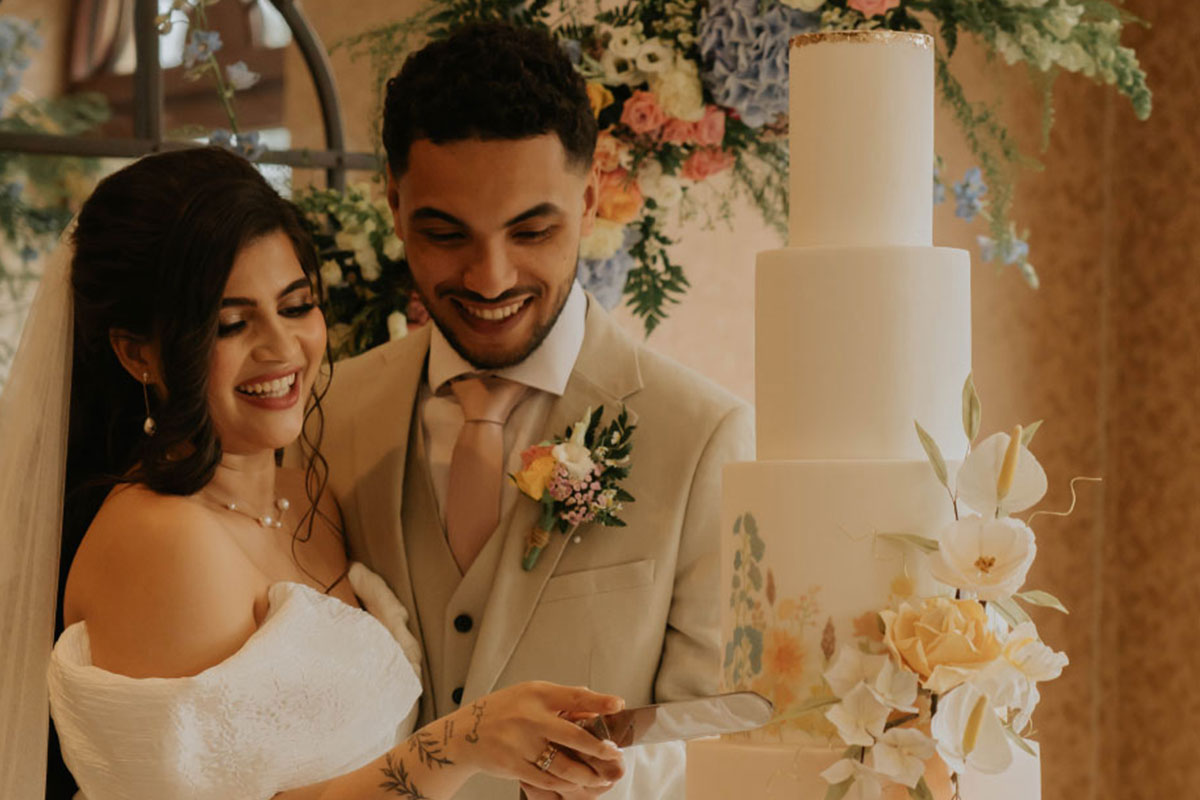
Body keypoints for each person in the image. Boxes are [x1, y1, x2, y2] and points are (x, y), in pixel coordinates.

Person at [0, 146, 625, 800]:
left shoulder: (308, 497)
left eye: (296, 306)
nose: (281, 348)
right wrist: (464, 742)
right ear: (138, 354)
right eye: (231, 324)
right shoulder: (162, 541)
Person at [311, 23, 755, 800]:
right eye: (445, 233)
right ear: (392, 201)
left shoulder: (701, 436)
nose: (489, 278)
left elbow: (713, 740)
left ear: (589, 200)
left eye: (533, 231)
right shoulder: (326, 414)